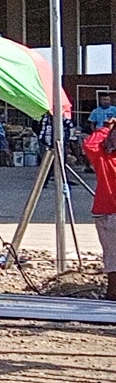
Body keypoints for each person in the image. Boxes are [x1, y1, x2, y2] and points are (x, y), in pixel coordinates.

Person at [85, 118, 116, 299]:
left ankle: (112, 295)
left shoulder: (103, 157)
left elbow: (90, 144)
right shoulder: (104, 158)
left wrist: (105, 128)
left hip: (106, 212)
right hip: (108, 213)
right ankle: (112, 295)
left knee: (112, 257)